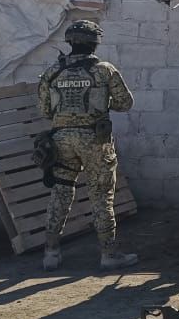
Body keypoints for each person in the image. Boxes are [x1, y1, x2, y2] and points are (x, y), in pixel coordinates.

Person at [38, 20, 136, 271]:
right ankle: (109, 254)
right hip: (95, 140)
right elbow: (125, 103)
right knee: (101, 196)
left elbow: (45, 110)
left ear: (69, 42)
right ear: (95, 43)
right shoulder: (104, 70)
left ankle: (50, 253)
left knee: (60, 191)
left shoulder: (52, 71)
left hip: (61, 140)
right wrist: (101, 102)